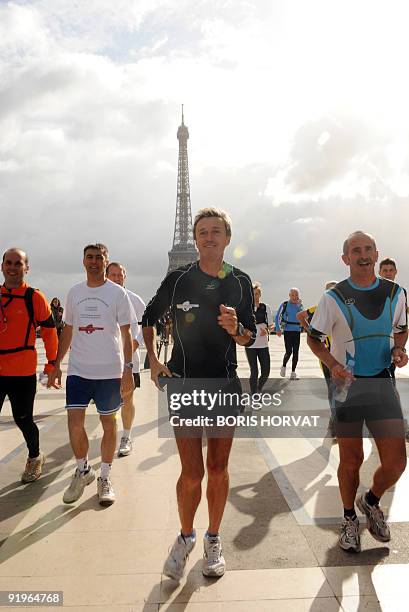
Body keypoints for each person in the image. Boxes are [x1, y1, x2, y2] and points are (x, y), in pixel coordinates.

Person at [142, 207, 256, 580]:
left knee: (218, 469)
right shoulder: (178, 280)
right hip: (186, 386)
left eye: (216, 231)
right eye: (202, 232)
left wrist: (237, 328)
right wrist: (154, 361)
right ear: (194, 239)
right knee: (191, 473)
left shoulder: (238, 281)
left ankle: (213, 538)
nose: (209, 237)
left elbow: (251, 337)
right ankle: (186, 534)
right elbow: (149, 318)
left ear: (227, 238)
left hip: (223, 385)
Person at [307, 231, 408, 553]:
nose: (363, 255)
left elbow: (401, 330)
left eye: (367, 249)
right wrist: (333, 364)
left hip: (382, 383)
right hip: (347, 389)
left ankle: (371, 500)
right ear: (345, 258)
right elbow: (313, 338)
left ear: (377, 253)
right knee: (352, 458)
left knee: (396, 462)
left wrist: (398, 350)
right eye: (355, 250)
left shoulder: (396, 293)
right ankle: (349, 517)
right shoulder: (333, 297)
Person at [48, 244, 135, 506]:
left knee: (109, 424)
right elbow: (68, 330)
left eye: (99, 258)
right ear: (83, 261)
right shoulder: (75, 292)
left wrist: (128, 370)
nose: (94, 262)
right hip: (79, 370)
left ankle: (105, 476)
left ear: (106, 262)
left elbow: (127, 333)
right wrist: (56, 364)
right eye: (90, 257)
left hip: (109, 370)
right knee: (74, 422)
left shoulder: (118, 294)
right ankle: (83, 469)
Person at [0, 248, 58, 482]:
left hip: (21, 371)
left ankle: (35, 456)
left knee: (23, 419)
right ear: (2, 266)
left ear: (26, 268)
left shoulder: (34, 297)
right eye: (9, 263)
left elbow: (50, 332)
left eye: (18, 263)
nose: (13, 267)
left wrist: (51, 364)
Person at [106, 261, 145, 456]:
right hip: (106, 361)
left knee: (127, 399)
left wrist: (135, 344)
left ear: (125, 277)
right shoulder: (100, 298)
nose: (117, 278)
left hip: (129, 360)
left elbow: (144, 327)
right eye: (112, 275)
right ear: (106, 276)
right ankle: (110, 434)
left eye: (120, 275)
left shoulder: (135, 300)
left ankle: (126, 435)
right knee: (109, 402)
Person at [296, 281, 337, 437]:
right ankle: (334, 423)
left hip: (343, 355)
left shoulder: (342, 308)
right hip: (326, 357)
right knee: (333, 389)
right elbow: (300, 316)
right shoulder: (319, 308)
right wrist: (309, 330)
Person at [245, 282, 273, 400]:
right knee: (254, 371)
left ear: (260, 294)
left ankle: (259, 387)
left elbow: (272, 325)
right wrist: (245, 331)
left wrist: (266, 329)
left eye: (257, 294)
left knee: (266, 371)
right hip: (250, 343)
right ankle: (254, 394)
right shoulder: (246, 307)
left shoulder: (266, 307)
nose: (255, 296)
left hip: (263, 344)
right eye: (253, 294)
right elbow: (241, 324)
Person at [275, 288, 303, 379]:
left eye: (296, 295)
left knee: (296, 352)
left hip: (297, 331)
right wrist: (278, 329)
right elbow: (277, 316)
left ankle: (293, 372)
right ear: (289, 295)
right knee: (289, 351)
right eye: (293, 295)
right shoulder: (285, 304)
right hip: (287, 331)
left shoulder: (300, 305)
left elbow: (302, 317)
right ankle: (283, 366)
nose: (295, 297)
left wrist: (299, 306)